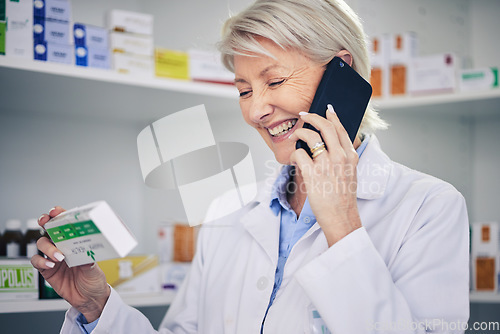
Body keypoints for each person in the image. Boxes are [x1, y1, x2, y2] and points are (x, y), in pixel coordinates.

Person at [32, 0, 470, 333]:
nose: (258, 109)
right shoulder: (229, 211)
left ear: (342, 72)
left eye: (274, 81)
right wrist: (96, 306)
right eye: (244, 90)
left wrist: (342, 224)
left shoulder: (428, 207)